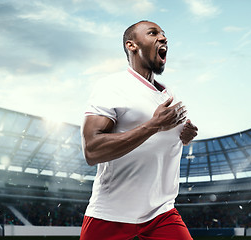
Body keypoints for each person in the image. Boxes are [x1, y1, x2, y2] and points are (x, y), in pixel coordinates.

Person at [80, 20, 198, 240]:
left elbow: (162, 143)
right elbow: (92, 151)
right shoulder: (111, 86)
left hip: (161, 213)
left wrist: (184, 136)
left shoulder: (168, 94)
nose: (163, 38)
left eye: (164, 34)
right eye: (153, 33)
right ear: (131, 45)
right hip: (110, 213)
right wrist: (154, 125)